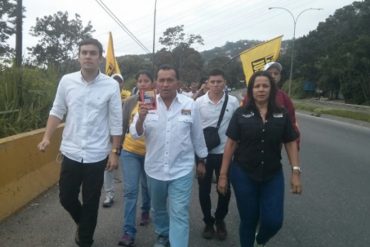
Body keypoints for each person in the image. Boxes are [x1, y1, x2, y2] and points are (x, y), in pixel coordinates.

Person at [37, 38, 123, 247]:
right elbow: (57, 110)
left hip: (96, 154)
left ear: (100, 58)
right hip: (71, 151)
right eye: (84, 52)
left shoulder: (111, 85)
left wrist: (114, 151)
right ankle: (84, 224)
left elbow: (116, 120)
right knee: (66, 197)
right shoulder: (67, 81)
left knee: (92, 202)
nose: (88, 56)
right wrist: (47, 137)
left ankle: (85, 240)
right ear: (78, 57)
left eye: (93, 53)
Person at [217, 71, 302, 247]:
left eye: (265, 86)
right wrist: (223, 175)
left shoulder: (282, 114)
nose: (261, 89)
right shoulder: (241, 113)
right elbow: (231, 144)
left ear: (272, 89)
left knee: (274, 221)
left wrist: (295, 171)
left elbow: (290, 142)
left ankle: (260, 240)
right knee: (248, 219)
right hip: (243, 174)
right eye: (257, 86)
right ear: (251, 90)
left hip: (272, 174)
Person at [130, 64, 208, 247]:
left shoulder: (190, 105)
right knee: (158, 210)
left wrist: (202, 160)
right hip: (155, 169)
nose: (165, 84)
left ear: (177, 82)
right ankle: (163, 235)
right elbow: (135, 133)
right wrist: (141, 118)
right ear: (156, 83)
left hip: (181, 170)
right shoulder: (146, 104)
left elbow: (197, 135)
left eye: (170, 80)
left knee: (179, 212)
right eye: (162, 80)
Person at [195, 69, 239, 240]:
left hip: (225, 154)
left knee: (225, 190)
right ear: (207, 83)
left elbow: (238, 127)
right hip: (203, 155)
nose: (215, 85)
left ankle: (220, 220)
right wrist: (199, 158)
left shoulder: (233, 101)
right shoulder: (199, 102)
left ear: (225, 82)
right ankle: (208, 221)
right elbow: (195, 131)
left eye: (219, 81)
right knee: (204, 190)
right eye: (212, 82)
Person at [118, 70, 154, 247]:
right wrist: (116, 149)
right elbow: (124, 124)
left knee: (147, 187)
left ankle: (146, 210)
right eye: (139, 81)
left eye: (146, 81)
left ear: (152, 83)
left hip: (151, 153)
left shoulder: (158, 101)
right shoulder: (130, 101)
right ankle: (128, 232)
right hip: (130, 151)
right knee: (131, 191)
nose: (142, 84)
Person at [242, 62, 300, 148]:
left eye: (276, 73)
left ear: (280, 76)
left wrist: (296, 144)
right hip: (251, 143)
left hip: (274, 145)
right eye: (270, 73)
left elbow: (292, 123)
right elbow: (241, 118)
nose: (273, 76)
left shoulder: (284, 97)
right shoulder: (250, 96)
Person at [102, 73, 131, 208]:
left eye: (119, 83)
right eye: (114, 82)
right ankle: (109, 195)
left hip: (126, 139)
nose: (116, 85)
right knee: (108, 168)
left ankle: (130, 191)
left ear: (122, 85)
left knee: (127, 168)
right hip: (108, 139)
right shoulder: (103, 97)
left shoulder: (128, 99)